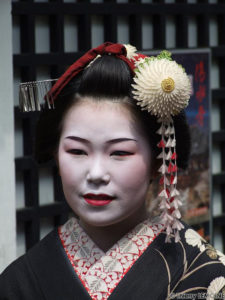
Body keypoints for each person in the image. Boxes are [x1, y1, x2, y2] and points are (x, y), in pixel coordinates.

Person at [0, 42, 225, 300]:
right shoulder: (20, 283)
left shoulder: (202, 277)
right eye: (77, 151)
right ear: (55, 154)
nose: (96, 174)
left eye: (120, 153)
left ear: (157, 161)